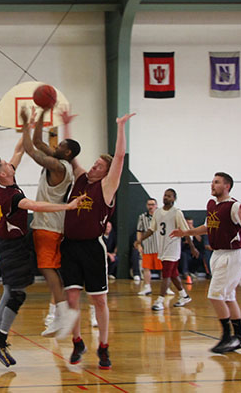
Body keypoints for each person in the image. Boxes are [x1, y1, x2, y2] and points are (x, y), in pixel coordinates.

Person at [0, 137, 86, 367]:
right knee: (16, 294)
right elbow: (37, 206)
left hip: (9, 243)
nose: (11, 164)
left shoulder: (4, 181)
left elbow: (18, 149)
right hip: (13, 246)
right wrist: (67, 206)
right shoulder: (12, 197)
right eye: (6, 164)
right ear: (2, 173)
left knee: (9, 291)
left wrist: (27, 125)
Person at [61, 112, 135, 369]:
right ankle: (78, 341)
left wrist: (121, 127)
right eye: (94, 164)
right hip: (69, 245)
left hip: (92, 247)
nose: (94, 167)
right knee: (71, 298)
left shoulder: (106, 186)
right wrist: (67, 124)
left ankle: (103, 346)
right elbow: (69, 153)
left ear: (106, 173)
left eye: (99, 166)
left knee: (99, 300)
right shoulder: (81, 177)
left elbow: (120, 158)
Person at [170, 172, 241, 353]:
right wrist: (185, 233)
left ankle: (227, 336)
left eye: (216, 182)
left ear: (227, 186)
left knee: (215, 296)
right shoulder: (212, 205)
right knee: (228, 297)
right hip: (218, 254)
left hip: (231, 255)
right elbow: (207, 227)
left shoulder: (234, 206)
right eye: (212, 182)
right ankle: (240, 337)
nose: (212, 185)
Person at [22, 106, 81, 338]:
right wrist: (44, 113)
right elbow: (37, 140)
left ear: (67, 154)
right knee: (50, 271)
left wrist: (26, 122)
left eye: (61, 147)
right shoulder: (59, 160)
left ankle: (63, 315)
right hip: (48, 225)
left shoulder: (58, 166)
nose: (56, 147)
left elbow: (29, 148)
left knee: (48, 272)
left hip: (48, 226)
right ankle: (59, 315)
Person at [135, 189, 194, 311]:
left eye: (169, 196)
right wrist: (140, 240)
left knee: (166, 274)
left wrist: (192, 247)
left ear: (174, 198)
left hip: (172, 247)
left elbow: (185, 231)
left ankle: (160, 301)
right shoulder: (158, 213)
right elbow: (151, 230)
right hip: (161, 247)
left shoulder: (177, 213)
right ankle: (184, 295)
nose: (166, 197)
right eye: (165, 195)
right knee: (173, 274)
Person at [137, 198, 161, 296]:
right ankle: (147, 287)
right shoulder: (142, 217)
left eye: (153, 204)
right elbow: (139, 231)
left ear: (156, 205)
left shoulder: (161, 216)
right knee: (146, 267)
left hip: (160, 246)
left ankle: (166, 288)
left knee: (164, 268)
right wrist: (139, 244)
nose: (151, 206)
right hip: (147, 246)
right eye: (149, 204)